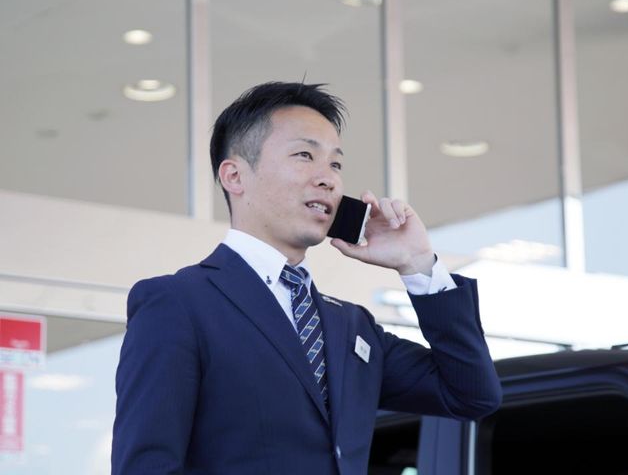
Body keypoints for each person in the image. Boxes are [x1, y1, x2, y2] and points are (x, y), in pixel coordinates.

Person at [111, 82, 502, 474]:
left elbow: (470, 394)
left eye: (335, 164)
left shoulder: (352, 326)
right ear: (234, 176)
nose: (328, 178)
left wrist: (418, 264)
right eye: (304, 155)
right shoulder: (179, 303)